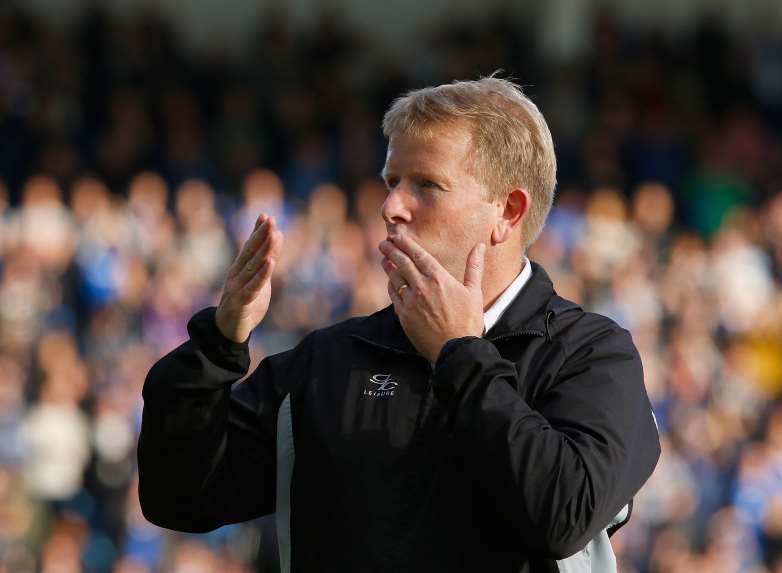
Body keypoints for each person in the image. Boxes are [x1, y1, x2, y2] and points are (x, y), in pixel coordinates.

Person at [137, 77, 660, 573]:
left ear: (508, 211)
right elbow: (179, 497)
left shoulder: (592, 357)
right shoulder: (330, 360)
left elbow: (561, 515)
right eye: (391, 182)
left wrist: (460, 353)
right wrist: (216, 348)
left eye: (426, 185)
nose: (390, 207)